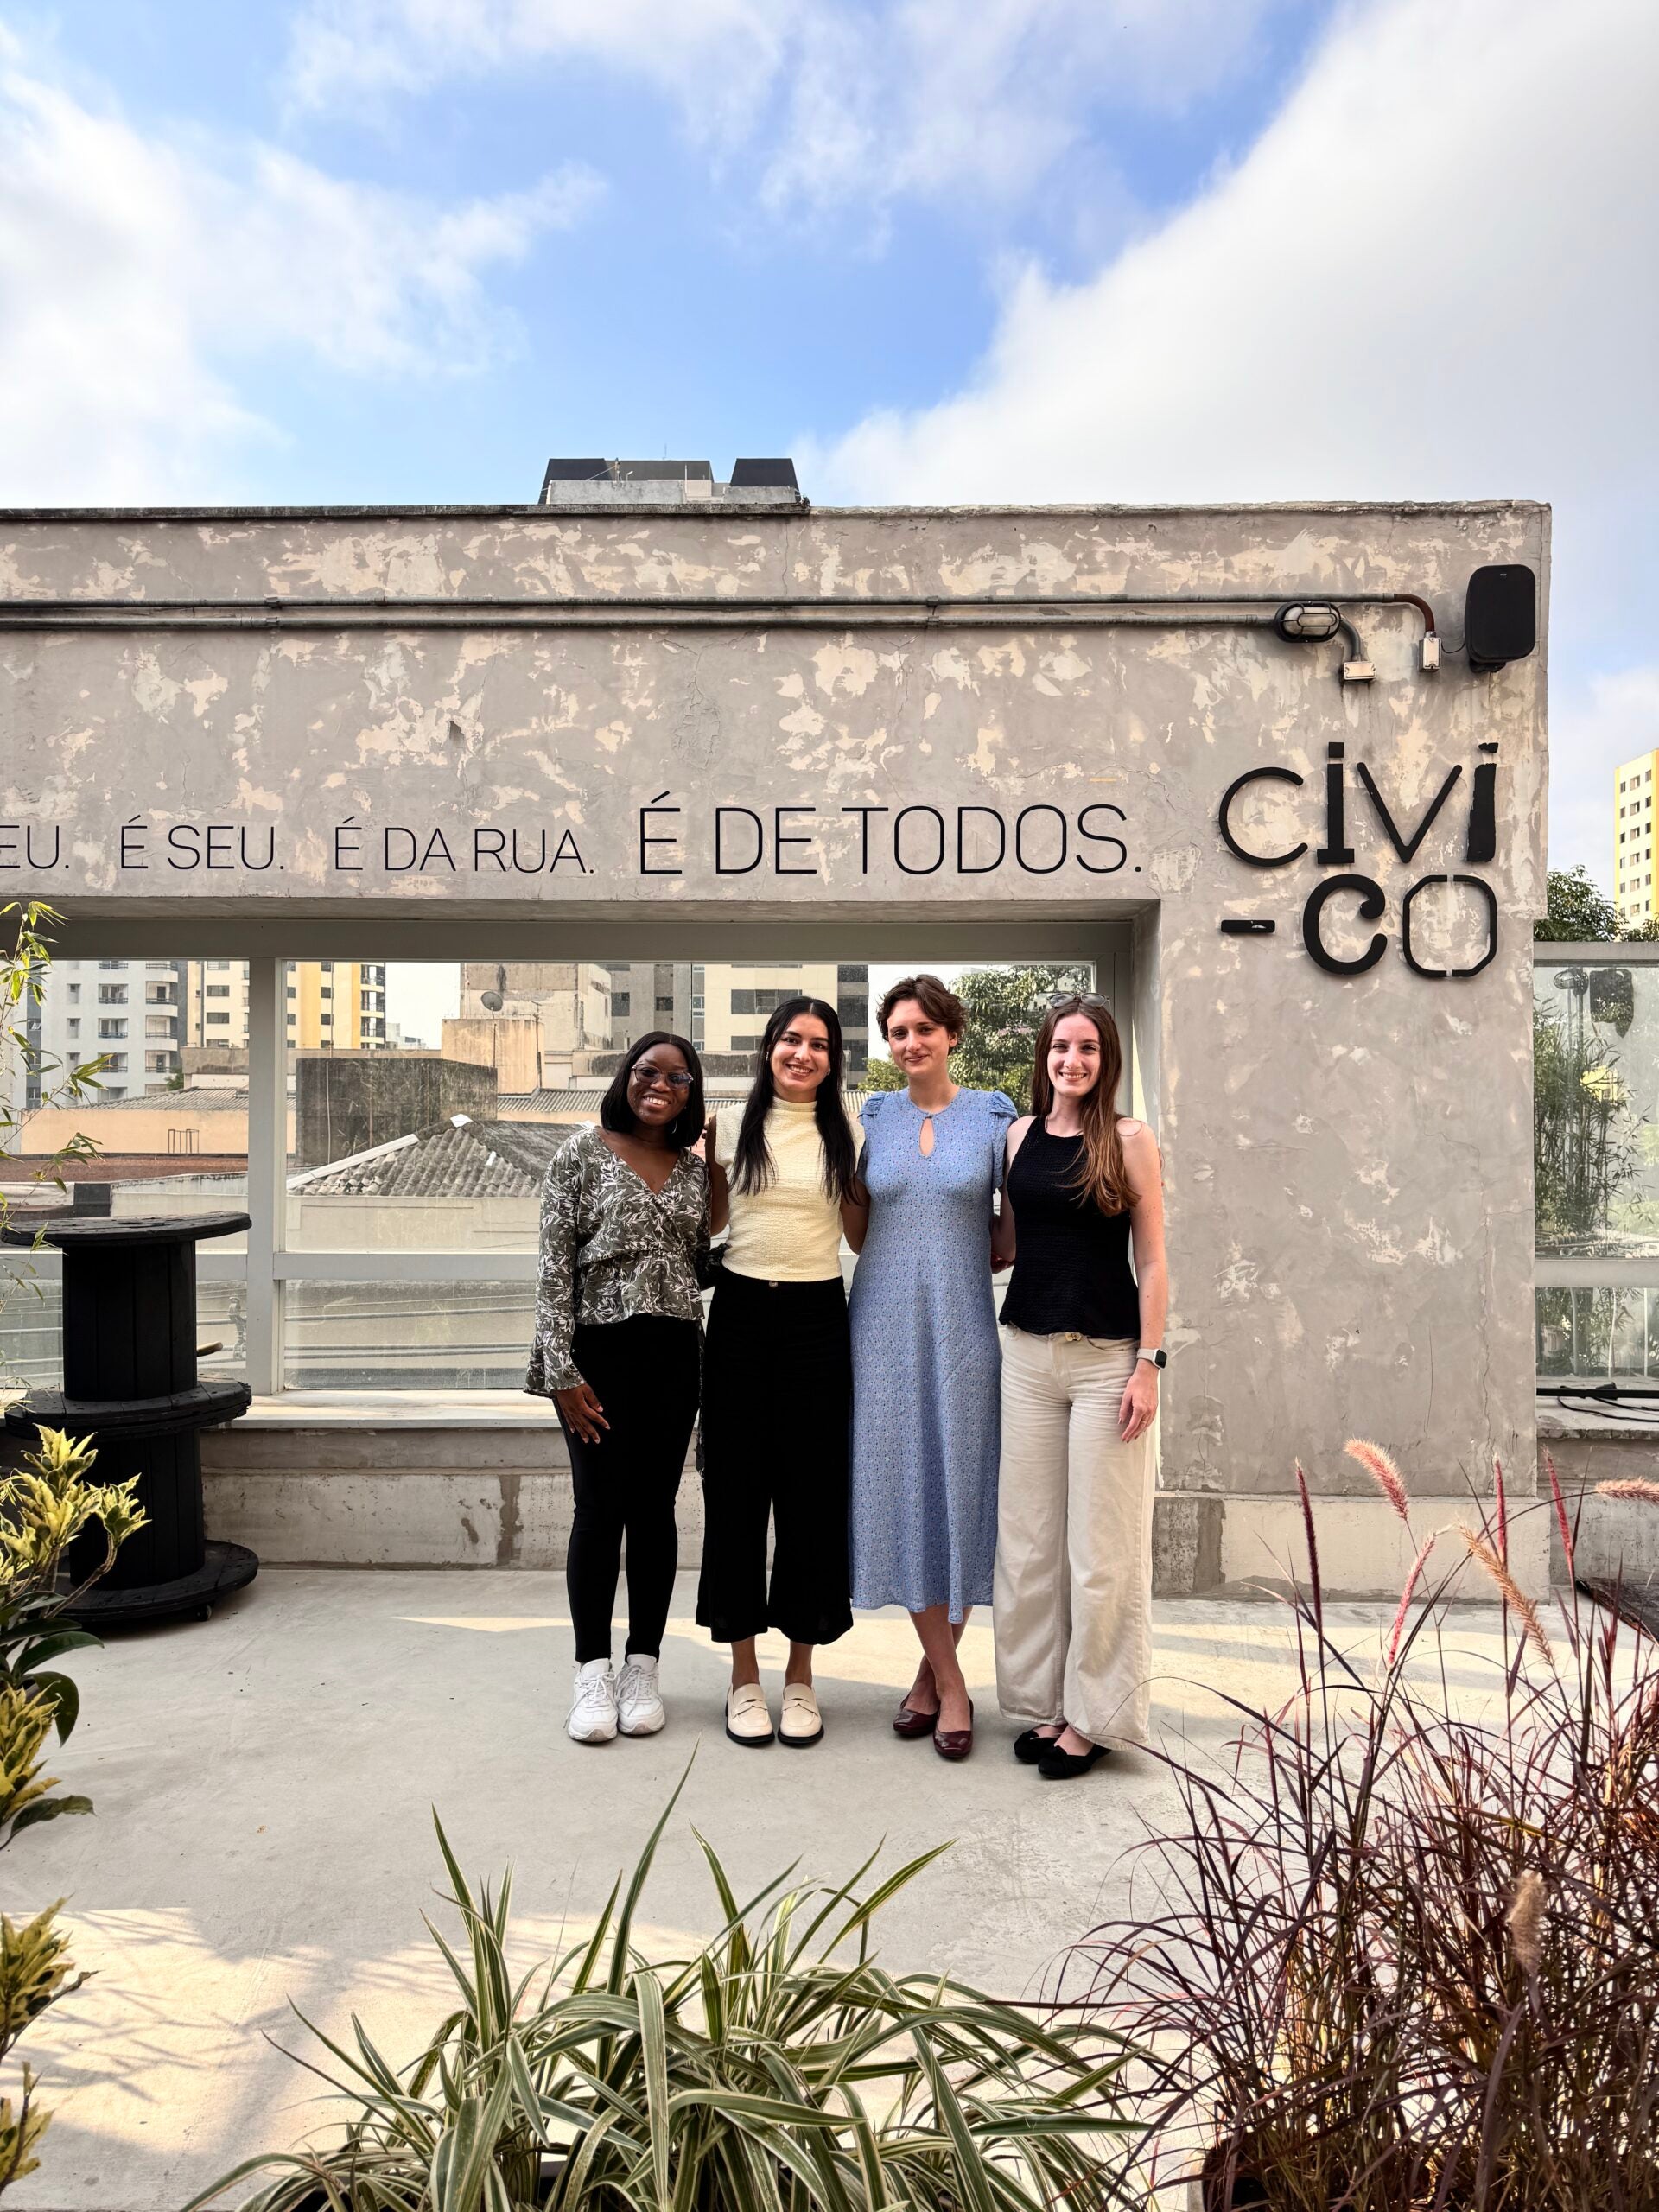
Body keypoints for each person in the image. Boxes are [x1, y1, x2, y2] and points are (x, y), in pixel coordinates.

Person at [990, 995, 1166, 1780]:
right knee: (1029, 1546)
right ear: (1045, 1055)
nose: (1073, 1061)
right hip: (1026, 1357)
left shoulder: (1128, 1139)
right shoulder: (1018, 1136)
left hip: (1105, 1361)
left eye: (1089, 1049)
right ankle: (1048, 1704)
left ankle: (1096, 1718)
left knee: (1101, 1550)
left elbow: (1154, 1260)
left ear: (1106, 1059)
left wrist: (1150, 1364)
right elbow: (1010, 1242)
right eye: (1062, 1047)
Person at [842, 975, 1015, 1760]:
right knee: (899, 1490)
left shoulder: (993, 1114)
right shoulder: (872, 1115)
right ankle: (951, 1686)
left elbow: (1011, 1235)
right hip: (876, 1324)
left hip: (963, 1325)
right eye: (898, 1032)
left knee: (960, 1489)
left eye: (924, 1029)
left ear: (952, 1034)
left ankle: (930, 1678)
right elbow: (855, 1229)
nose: (910, 1043)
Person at [526, 1033, 709, 1747]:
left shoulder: (695, 1172)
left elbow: (695, 1265)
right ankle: (591, 1669)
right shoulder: (580, 1152)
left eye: (677, 1076)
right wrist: (562, 1372)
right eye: (647, 1071)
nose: (660, 1084)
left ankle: (643, 1665)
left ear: (692, 1092)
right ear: (626, 1078)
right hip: (598, 1356)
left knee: (656, 1511)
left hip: (673, 1356)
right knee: (599, 1510)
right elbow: (552, 1270)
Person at [697, 996, 862, 1748]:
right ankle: (742, 1677)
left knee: (811, 1498)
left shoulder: (849, 1128)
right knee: (736, 1492)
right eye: (791, 1040)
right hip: (738, 1315)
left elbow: (861, 1231)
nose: (803, 1054)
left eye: (819, 1045)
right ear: (769, 1049)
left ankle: (800, 1677)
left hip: (818, 1318)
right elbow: (710, 1225)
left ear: (833, 1060)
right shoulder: (728, 1125)